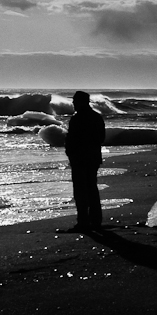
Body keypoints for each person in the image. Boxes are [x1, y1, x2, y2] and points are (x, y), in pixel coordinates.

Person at [64, 91, 106, 232]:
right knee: (92, 189)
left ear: (81, 102)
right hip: (93, 157)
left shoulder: (77, 118)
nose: (73, 104)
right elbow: (101, 138)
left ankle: (83, 222)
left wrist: (71, 152)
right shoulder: (96, 117)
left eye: (75, 101)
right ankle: (95, 221)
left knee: (81, 191)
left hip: (80, 158)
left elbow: (72, 139)